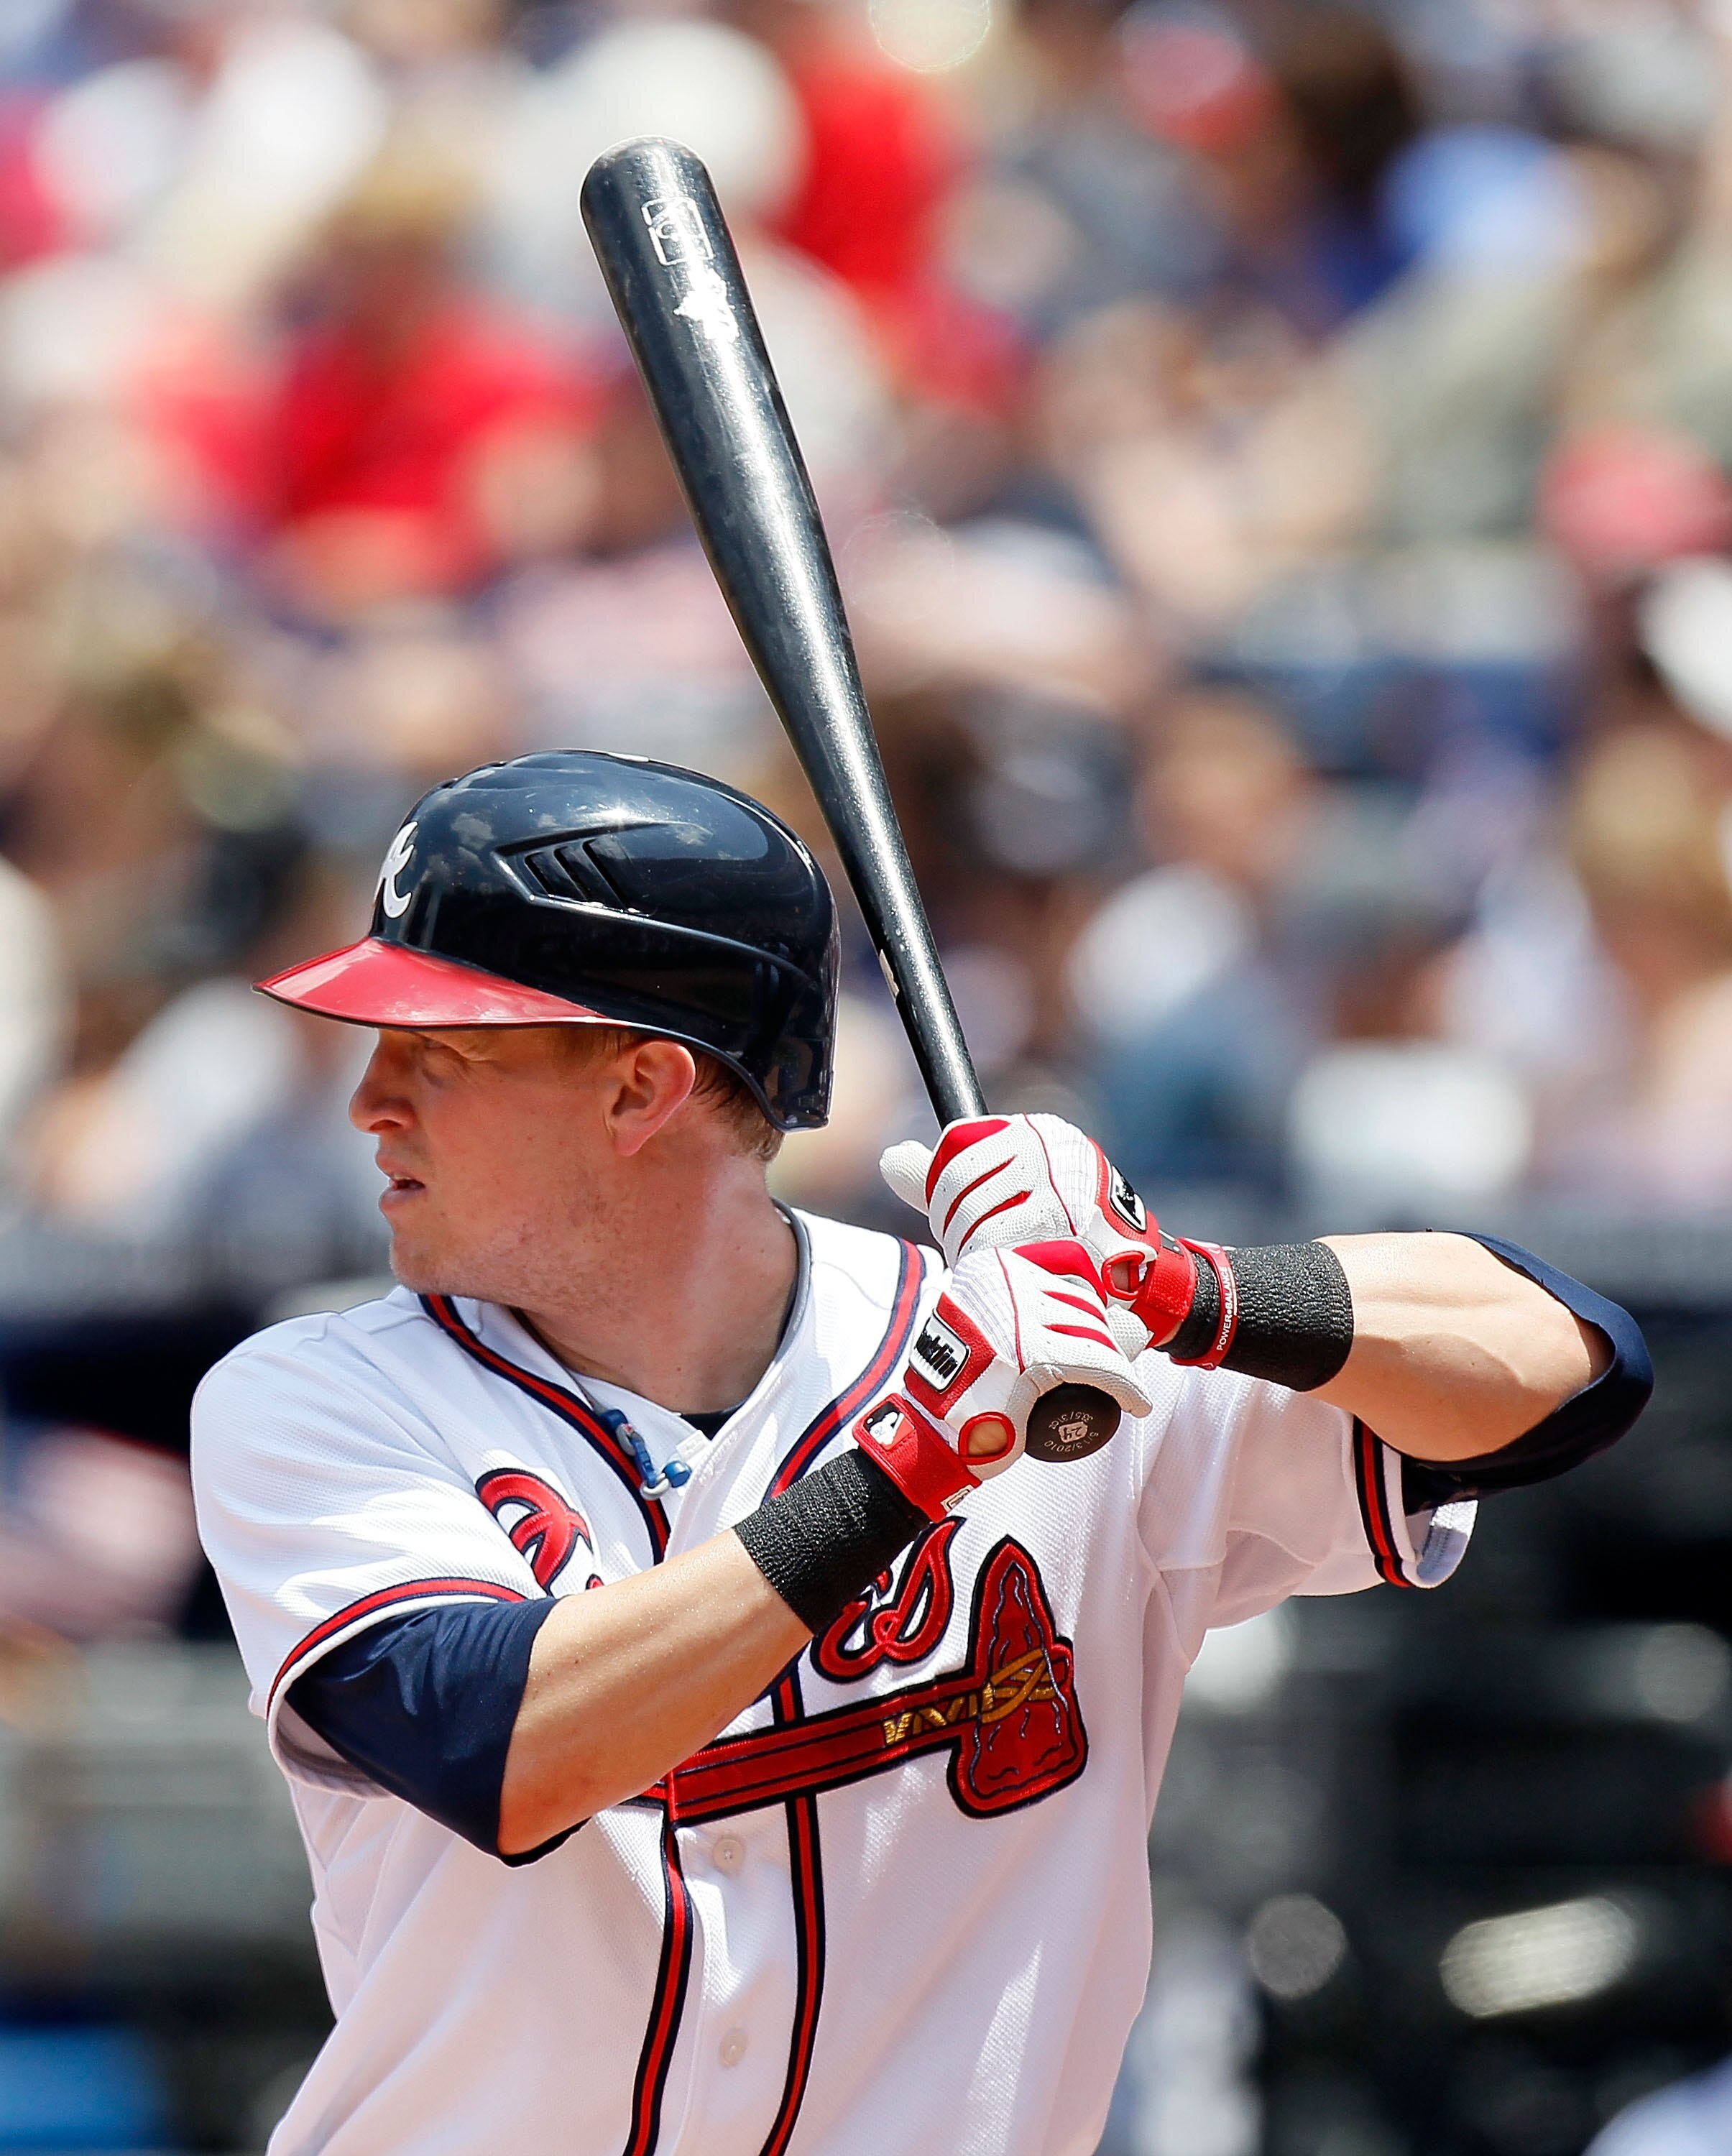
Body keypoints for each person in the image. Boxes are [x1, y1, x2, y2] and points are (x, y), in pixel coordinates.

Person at [190, 750, 1652, 2156]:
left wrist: (1169, 1286)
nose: (368, 1101)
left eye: (436, 1054)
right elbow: (499, 1747)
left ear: (640, 1091)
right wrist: (923, 1457)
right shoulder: (319, 1397)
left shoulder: (1042, 1354)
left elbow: (1570, 1371)